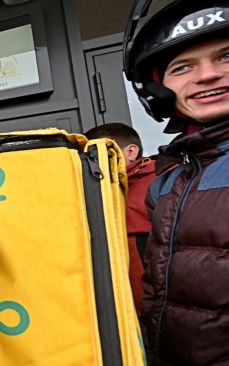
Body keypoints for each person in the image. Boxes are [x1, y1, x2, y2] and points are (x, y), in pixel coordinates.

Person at [123, 1, 229, 364]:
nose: (207, 75)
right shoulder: (166, 181)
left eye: (226, 56)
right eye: (183, 67)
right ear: (158, 92)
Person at [84, 123, 156, 314]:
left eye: (100, 155)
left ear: (131, 152)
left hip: (154, 304)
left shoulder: (160, 183)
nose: (94, 163)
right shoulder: (103, 189)